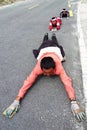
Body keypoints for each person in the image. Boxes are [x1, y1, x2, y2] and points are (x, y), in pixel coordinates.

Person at [3, 33, 86, 122]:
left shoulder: (59, 67)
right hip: (44, 49)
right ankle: (46, 36)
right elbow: (28, 81)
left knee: (54, 41)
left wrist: (73, 101)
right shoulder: (38, 68)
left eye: (50, 72)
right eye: (45, 73)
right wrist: (17, 99)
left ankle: (53, 35)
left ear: (54, 68)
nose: (48, 75)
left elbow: (67, 82)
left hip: (54, 48)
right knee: (45, 41)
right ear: (41, 68)